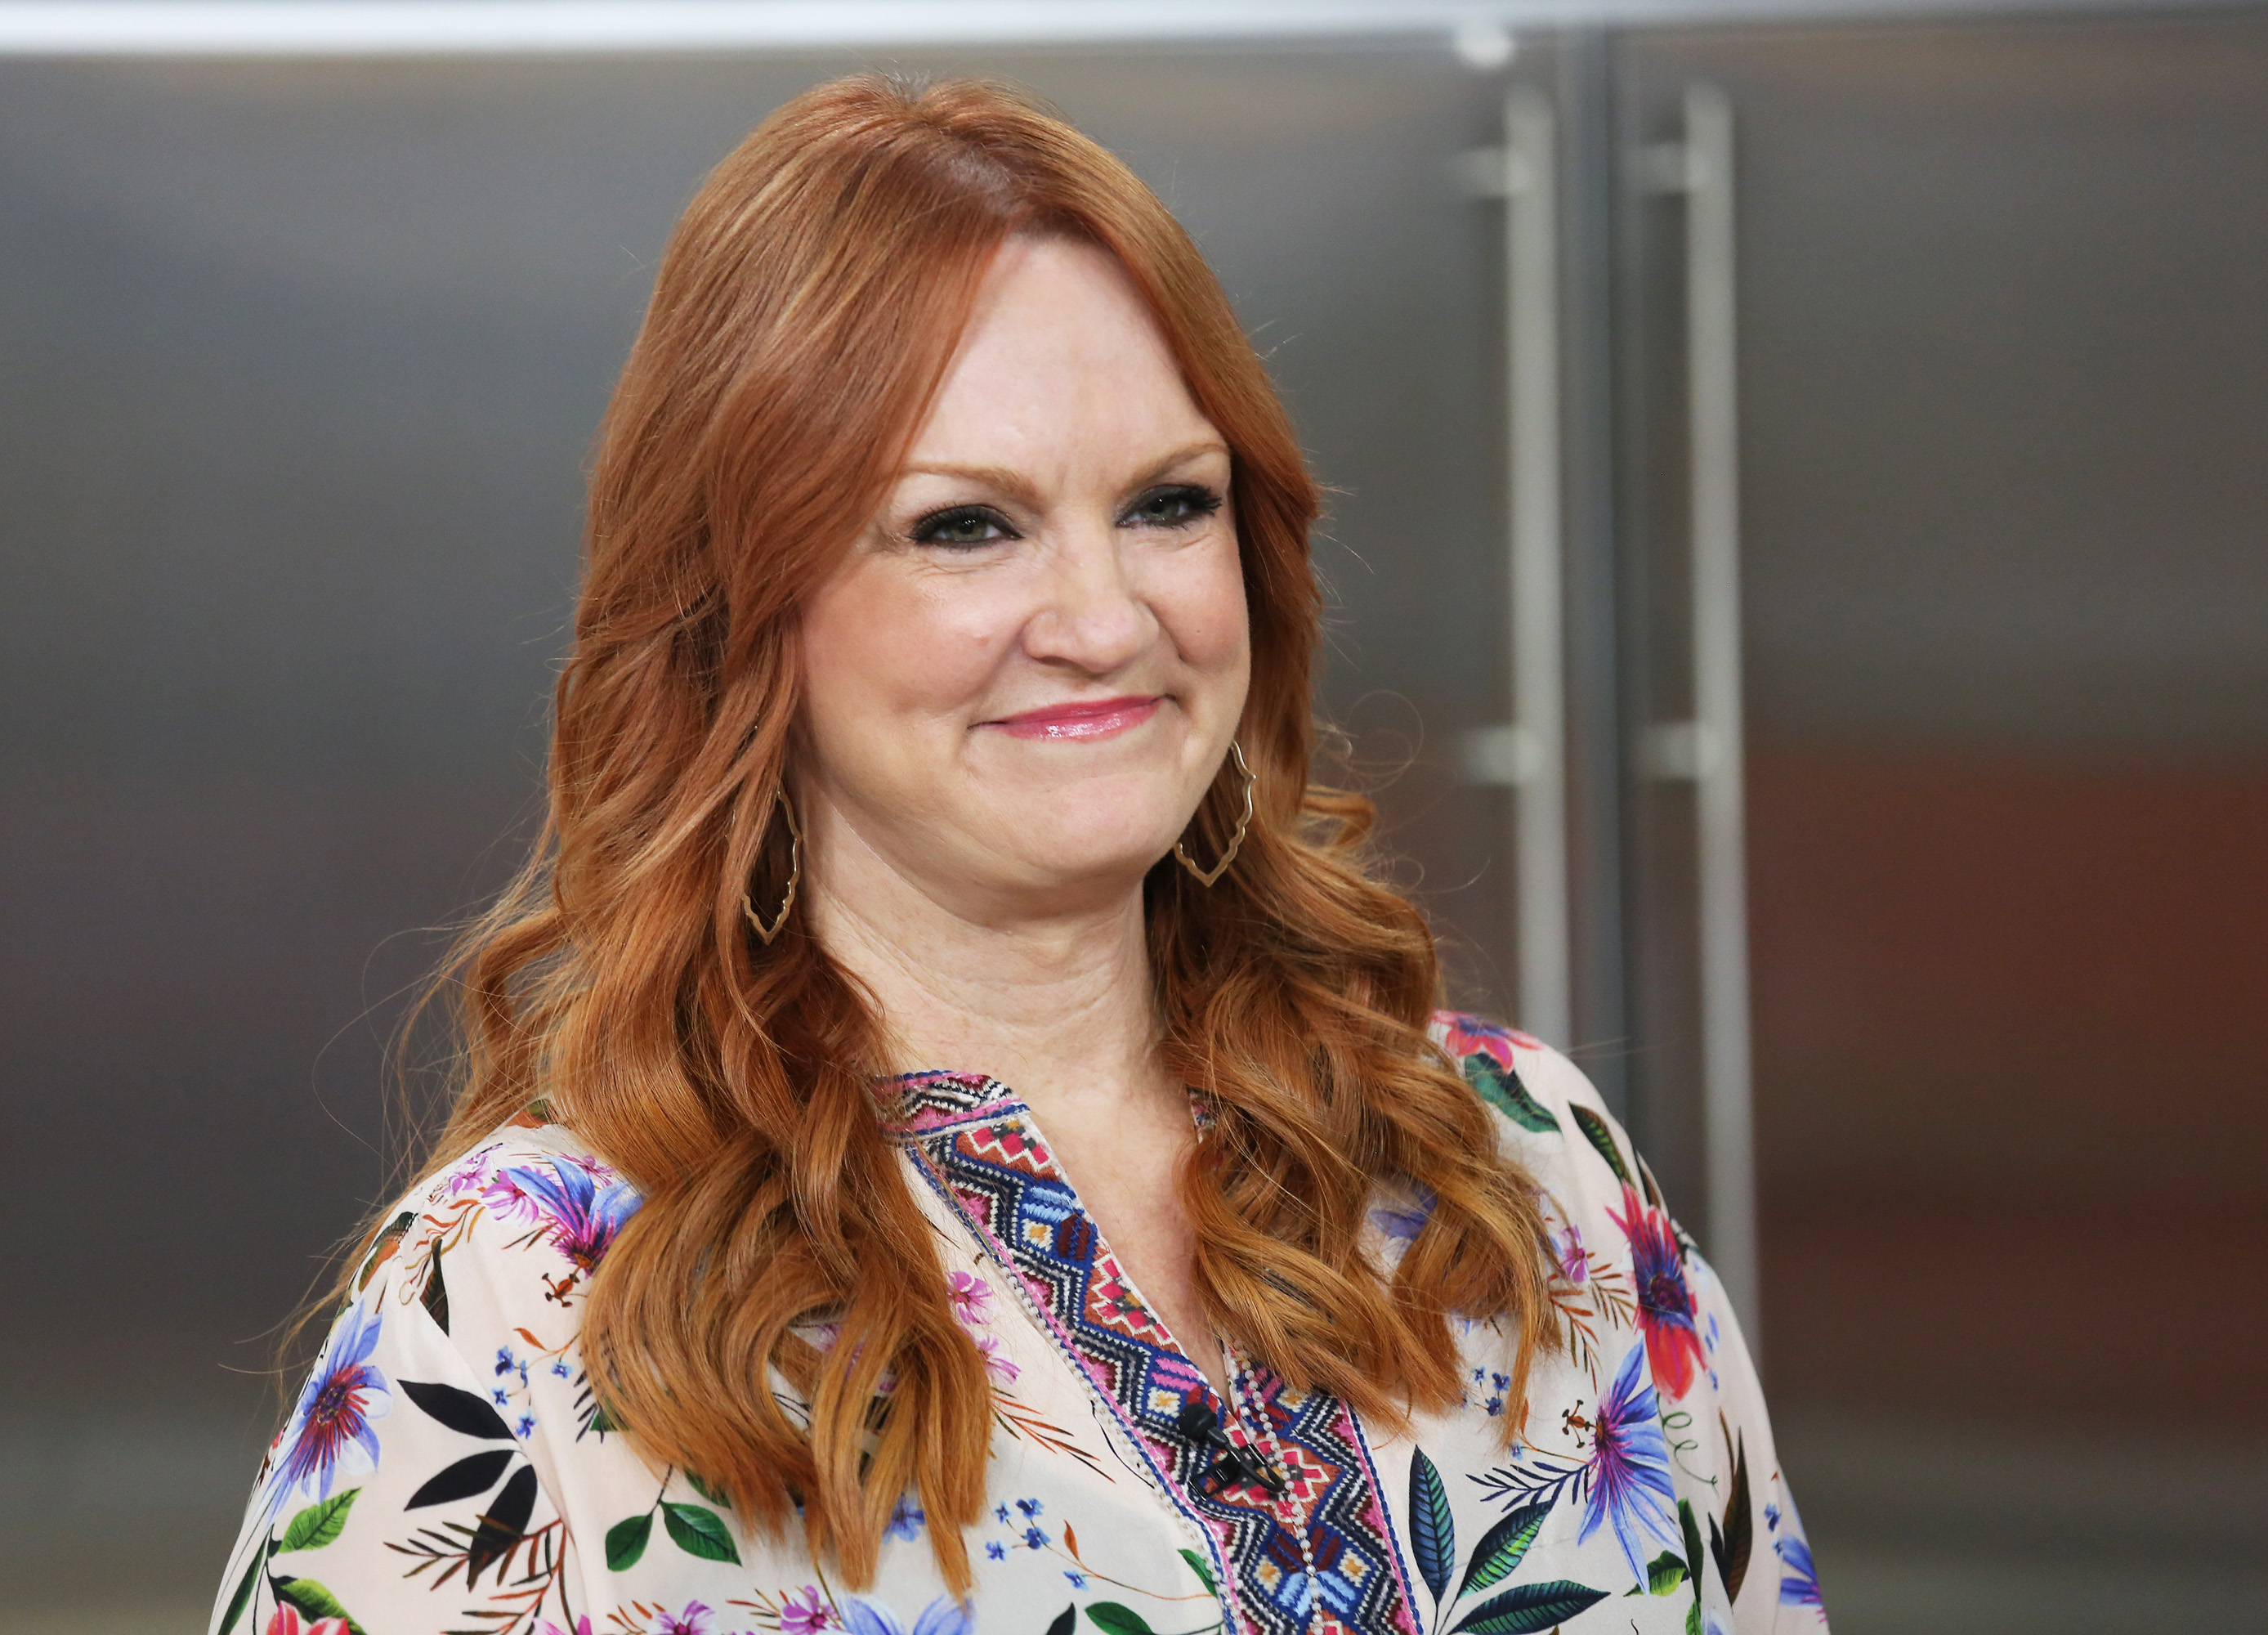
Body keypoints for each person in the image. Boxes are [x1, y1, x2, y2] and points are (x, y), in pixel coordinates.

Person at [213, 73, 1827, 1635]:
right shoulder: (526, 1298)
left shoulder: (1527, 1169)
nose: (1107, 621)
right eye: (964, 524)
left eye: (1167, 506)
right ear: (745, 611)